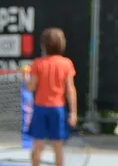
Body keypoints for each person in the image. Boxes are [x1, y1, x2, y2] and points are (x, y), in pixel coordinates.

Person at [25, 27, 78, 166]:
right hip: (58, 110)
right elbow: (70, 90)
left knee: (37, 147)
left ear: (43, 45)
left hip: (40, 109)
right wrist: (73, 113)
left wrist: (25, 77)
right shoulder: (66, 64)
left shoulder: (37, 63)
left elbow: (31, 87)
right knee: (58, 148)